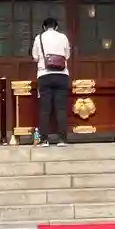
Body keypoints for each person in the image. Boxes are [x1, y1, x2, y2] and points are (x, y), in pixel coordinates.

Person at [31, 15, 72, 146]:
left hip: (45, 75)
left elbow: (35, 57)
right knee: (61, 108)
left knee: (45, 109)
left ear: (44, 27)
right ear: (56, 27)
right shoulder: (63, 37)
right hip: (61, 75)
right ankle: (62, 139)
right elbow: (67, 55)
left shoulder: (39, 38)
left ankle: (44, 139)